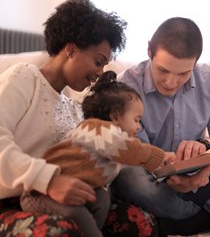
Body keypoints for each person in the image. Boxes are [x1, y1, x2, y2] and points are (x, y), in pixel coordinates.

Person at [110, 17, 210, 236]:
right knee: (128, 178)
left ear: (196, 62)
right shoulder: (125, 86)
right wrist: (168, 169)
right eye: (163, 70)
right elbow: (130, 156)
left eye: (183, 74)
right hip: (151, 189)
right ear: (149, 50)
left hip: (201, 185)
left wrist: (208, 154)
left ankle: (205, 217)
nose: (171, 82)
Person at [0, 0, 127, 236]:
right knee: (64, 229)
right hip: (8, 198)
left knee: (133, 217)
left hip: (46, 198)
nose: (100, 73)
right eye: (98, 62)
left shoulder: (72, 107)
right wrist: (49, 180)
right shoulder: (23, 78)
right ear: (70, 50)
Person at [20, 70, 172, 236]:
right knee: (77, 215)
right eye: (136, 120)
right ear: (114, 116)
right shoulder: (96, 130)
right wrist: (158, 157)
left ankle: (92, 231)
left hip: (75, 190)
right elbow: (129, 149)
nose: (138, 127)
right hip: (39, 194)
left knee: (101, 197)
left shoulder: (107, 141)